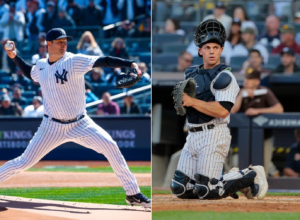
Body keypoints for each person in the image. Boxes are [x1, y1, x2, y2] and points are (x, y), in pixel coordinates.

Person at [2, 28, 150, 207]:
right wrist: (14, 56)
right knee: (23, 162)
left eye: (65, 41)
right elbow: (28, 71)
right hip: (51, 126)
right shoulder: (41, 65)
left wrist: (130, 63)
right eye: (60, 41)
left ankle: (133, 193)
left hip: (81, 123)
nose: (64, 44)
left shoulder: (73, 61)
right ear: (48, 44)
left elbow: (103, 61)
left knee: (110, 146)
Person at [170, 19, 268, 201]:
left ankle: (251, 174)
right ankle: (231, 179)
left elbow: (222, 110)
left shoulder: (225, 76)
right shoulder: (190, 74)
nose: (212, 51)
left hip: (213, 134)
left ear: (222, 50)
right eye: (207, 47)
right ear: (200, 51)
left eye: (216, 47)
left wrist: (190, 101)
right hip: (192, 136)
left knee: (208, 190)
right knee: (180, 189)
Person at [231, 68, 283, 177]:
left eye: (250, 79)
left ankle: (271, 181)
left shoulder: (264, 91)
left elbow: (279, 109)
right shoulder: (241, 91)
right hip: (246, 138)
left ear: (257, 81)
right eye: (246, 78)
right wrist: (241, 94)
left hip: (265, 136)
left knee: (264, 166)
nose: (247, 81)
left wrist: (258, 111)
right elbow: (233, 111)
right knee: (242, 165)